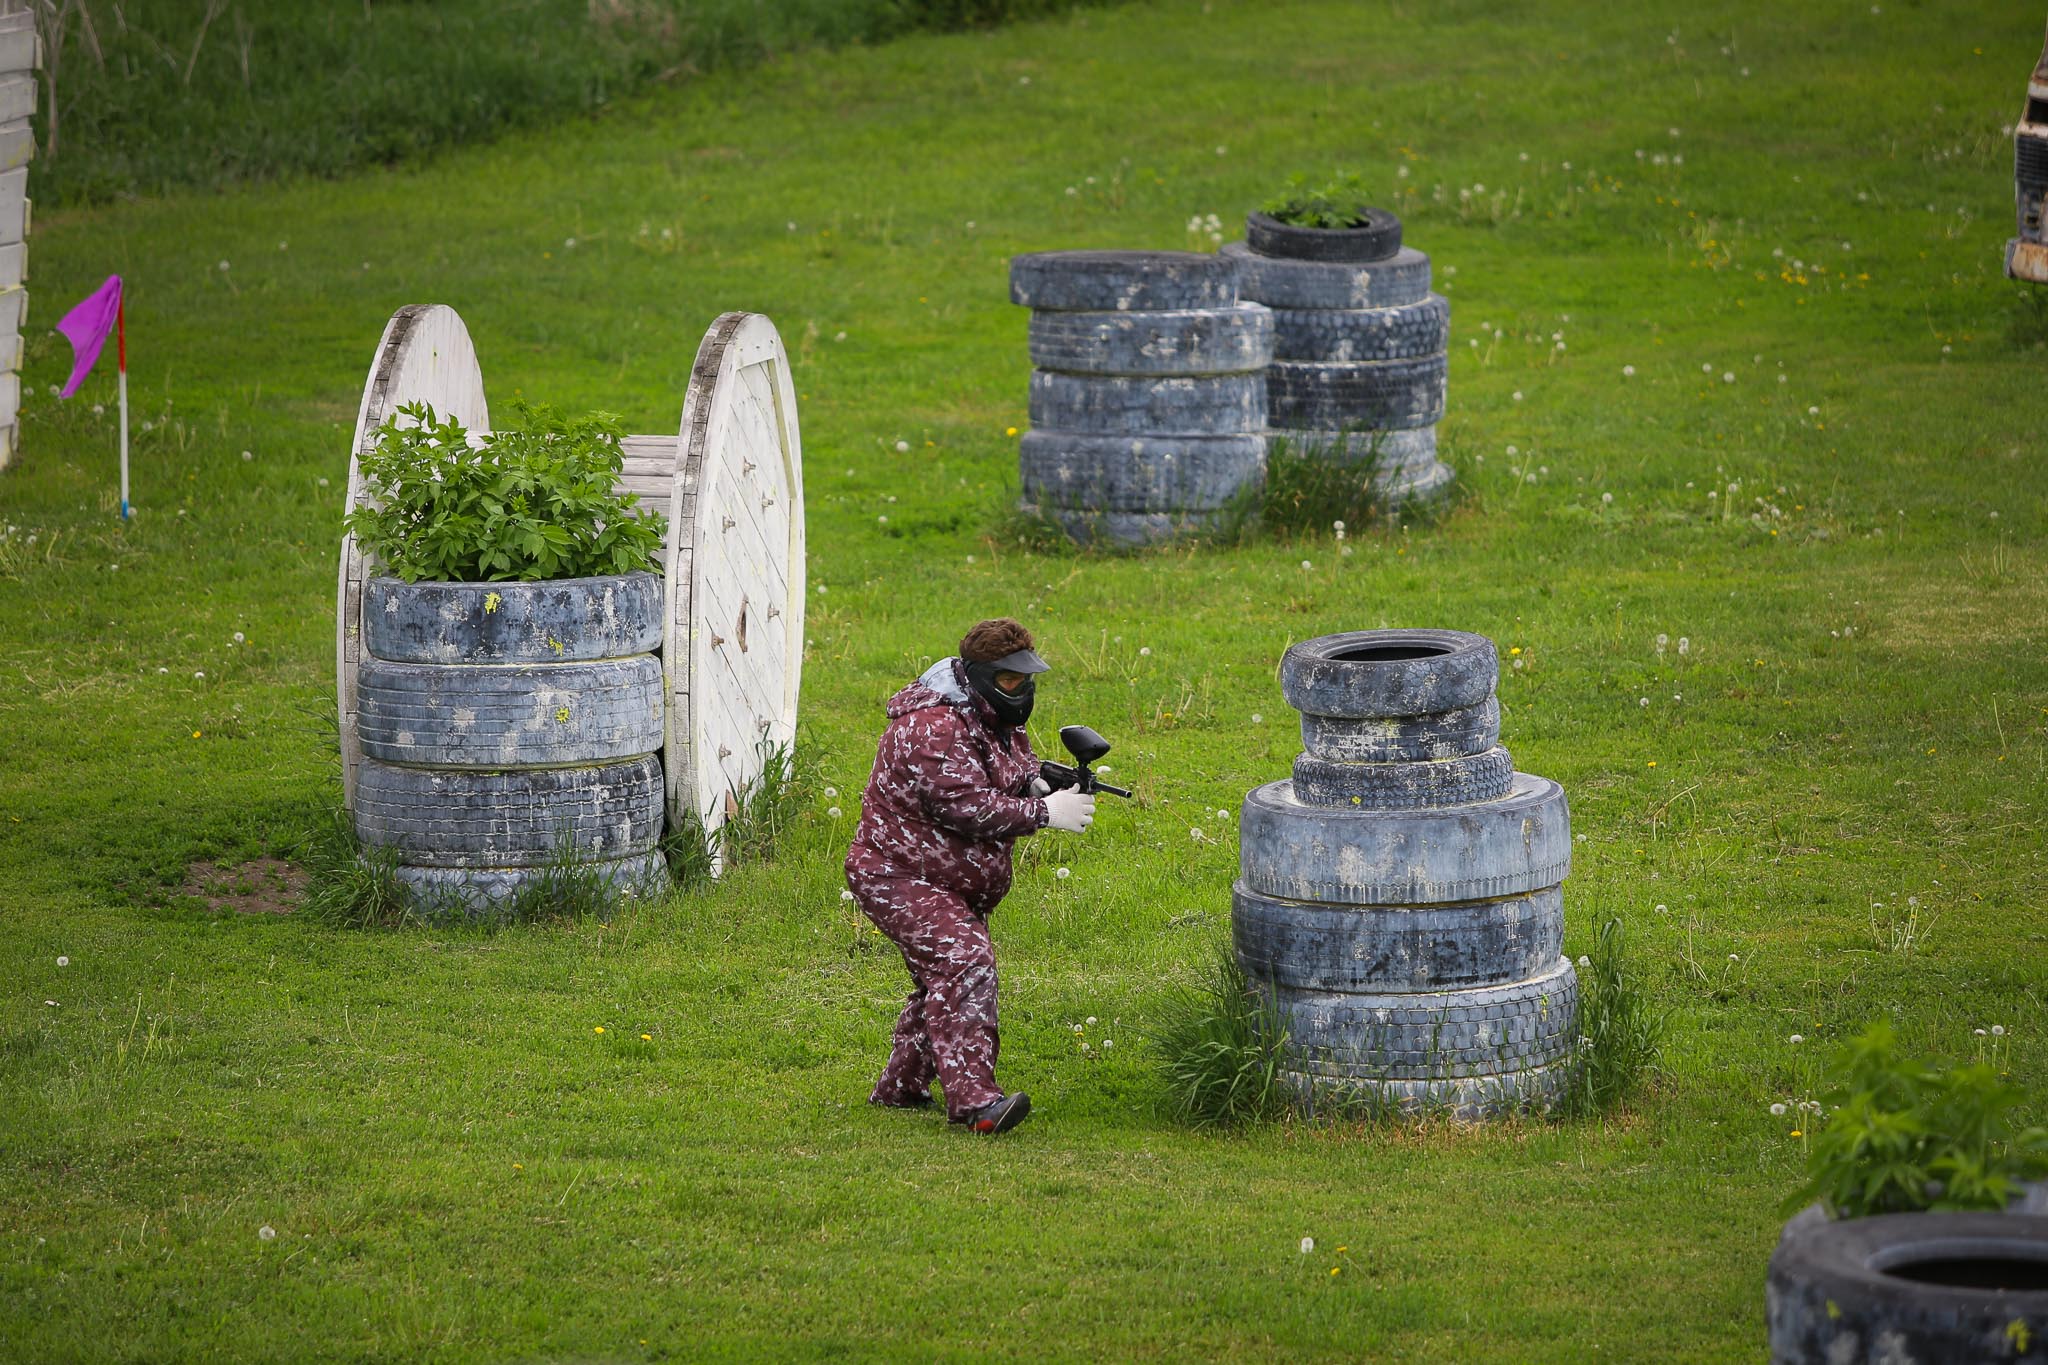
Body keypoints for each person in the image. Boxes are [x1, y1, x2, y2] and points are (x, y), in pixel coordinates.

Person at [843, 618, 1095, 1136]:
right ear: (978, 676)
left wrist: (1039, 781)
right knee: (963, 962)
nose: (1020, 691)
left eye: (1026, 679)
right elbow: (967, 806)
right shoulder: (929, 727)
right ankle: (978, 1105)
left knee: (939, 980)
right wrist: (1047, 813)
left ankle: (900, 1089)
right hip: (898, 875)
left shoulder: (993, 717)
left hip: (948, 879)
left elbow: (1007, 771)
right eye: (1009, 681)